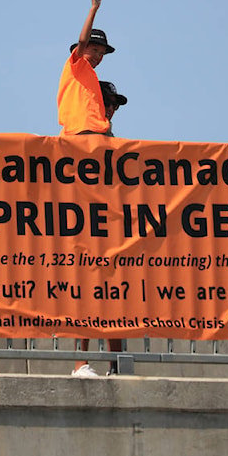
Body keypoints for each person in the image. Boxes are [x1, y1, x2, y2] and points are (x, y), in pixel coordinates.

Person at [72, 81, 129, 377]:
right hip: (83, 231)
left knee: (115, 299)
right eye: (108, 102)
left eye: (115, 105)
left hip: (112, 230)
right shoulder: (79, 134)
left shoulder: (113, 140)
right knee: (86, 298)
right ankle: (81, 363)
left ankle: (115, 365)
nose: (112, 109)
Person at [57, 0, 114, 135]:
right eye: (94, 50)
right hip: (81, 130)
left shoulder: (89, 76)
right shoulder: (77, 64)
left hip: (97, 131)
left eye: (102, 53)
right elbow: (82, 41)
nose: (98, 56)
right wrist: (93, 10)